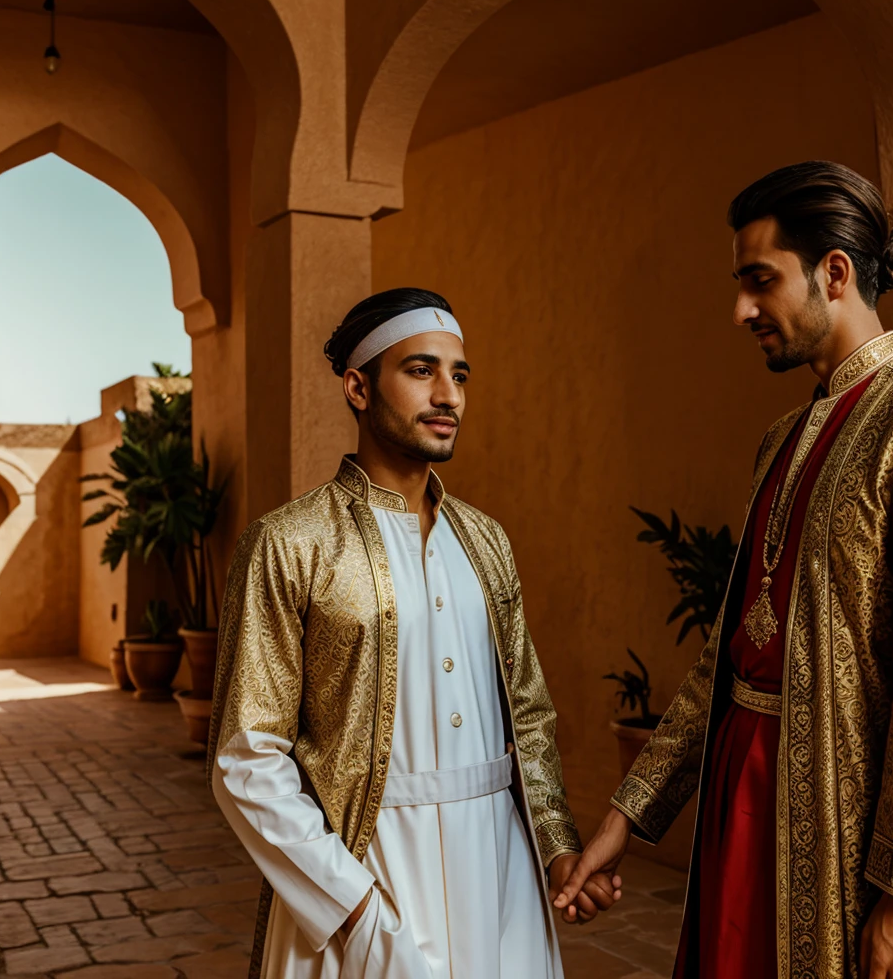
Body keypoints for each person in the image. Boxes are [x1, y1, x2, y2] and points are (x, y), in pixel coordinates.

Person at [556, 162, 893, 979]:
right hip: (743, 805)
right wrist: (627, 816)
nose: (741, 310)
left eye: (759, 281)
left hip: (841, 828)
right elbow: (728, 654)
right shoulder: (782, 438)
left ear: (834, 272)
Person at [207, 287, 617, 979]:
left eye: (459, 375)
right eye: (421, 371)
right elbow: (247, 757)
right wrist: (355, 911)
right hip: (363, 878)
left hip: (500, 868)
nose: (448, 395)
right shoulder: (289, 543)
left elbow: (531, 714)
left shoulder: (486, 540)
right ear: (358, 387)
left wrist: (557, 847)